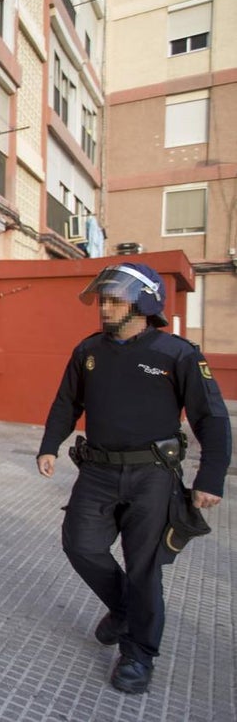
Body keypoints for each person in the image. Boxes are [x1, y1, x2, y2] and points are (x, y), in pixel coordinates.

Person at [36, 262, 229, 694]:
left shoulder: (176, 353)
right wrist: (49, 444)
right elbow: (67, 402)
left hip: (153, 475)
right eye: (103, 298)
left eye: (115, 299)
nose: (104, 307)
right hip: (99, 471)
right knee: (80, 544)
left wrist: (210, 476)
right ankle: (125, 607)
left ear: (143, 303)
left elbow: (210, 417)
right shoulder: (88, 350)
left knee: (144, 569)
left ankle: (139, 654)